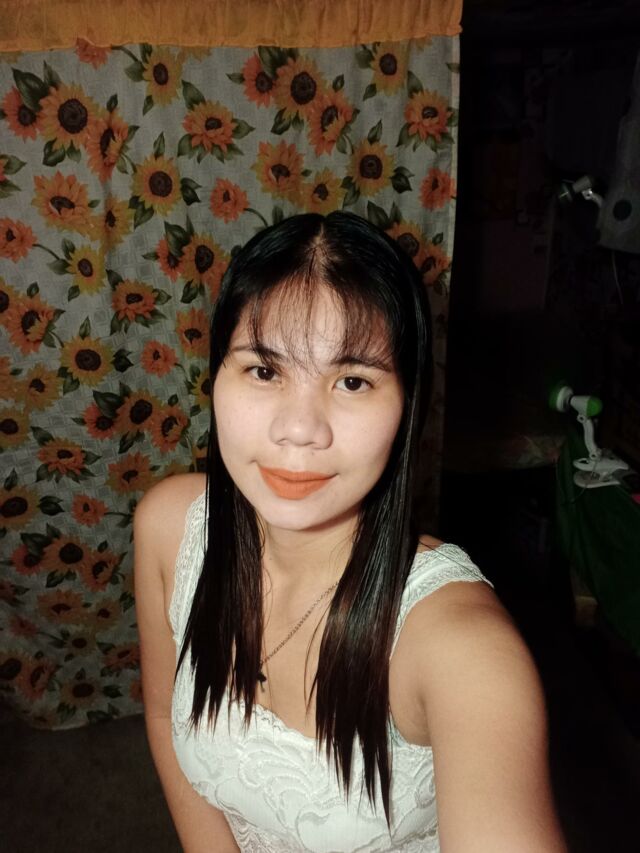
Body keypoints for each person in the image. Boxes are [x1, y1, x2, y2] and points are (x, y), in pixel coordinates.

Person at [134, 211, 567, 852]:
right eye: (264, 370)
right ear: (216, 376)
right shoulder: (169, 528)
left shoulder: (464, 650)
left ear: (408, 406)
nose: (300, 429)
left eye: (353, 381)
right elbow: (162, 715)